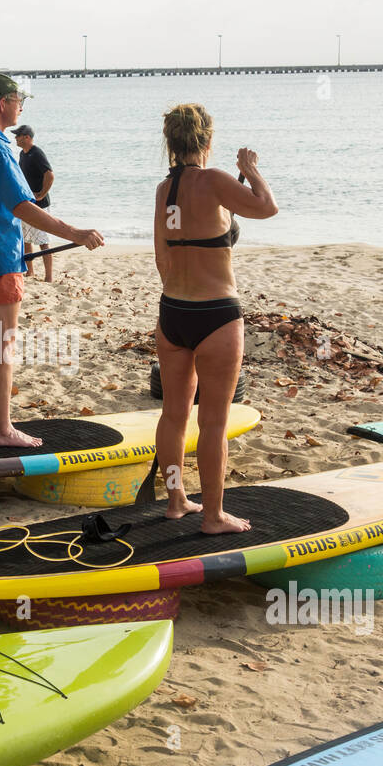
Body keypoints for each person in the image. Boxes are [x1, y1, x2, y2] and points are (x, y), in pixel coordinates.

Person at [0, 73, 104, 448]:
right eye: (20, 101)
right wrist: (76, 233)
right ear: (3, 103)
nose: (22, 107)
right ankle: (2, 428)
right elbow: (22, 206)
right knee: (2, 343)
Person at [154, 103, 277, 534]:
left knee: (173, 415)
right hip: (216, 314)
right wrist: (250, 168)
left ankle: (175, 500)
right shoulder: (216, 180)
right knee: (214, 421)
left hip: (173, 312)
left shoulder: (164, 190)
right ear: (206, 140)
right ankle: (212, 515)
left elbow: (162, 257)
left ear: (171, 141)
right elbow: (266, 208)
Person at [11, 125, 57, 281]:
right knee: (26, 239)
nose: (16, 138)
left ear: (27, 137)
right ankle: (30, 271)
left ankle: (49, 277)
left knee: (43, 241)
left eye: (18, 135)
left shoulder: (36, 153)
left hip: (40, 204)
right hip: (27, 202)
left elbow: (50, 175)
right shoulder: (22, 154)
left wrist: (41, 194)